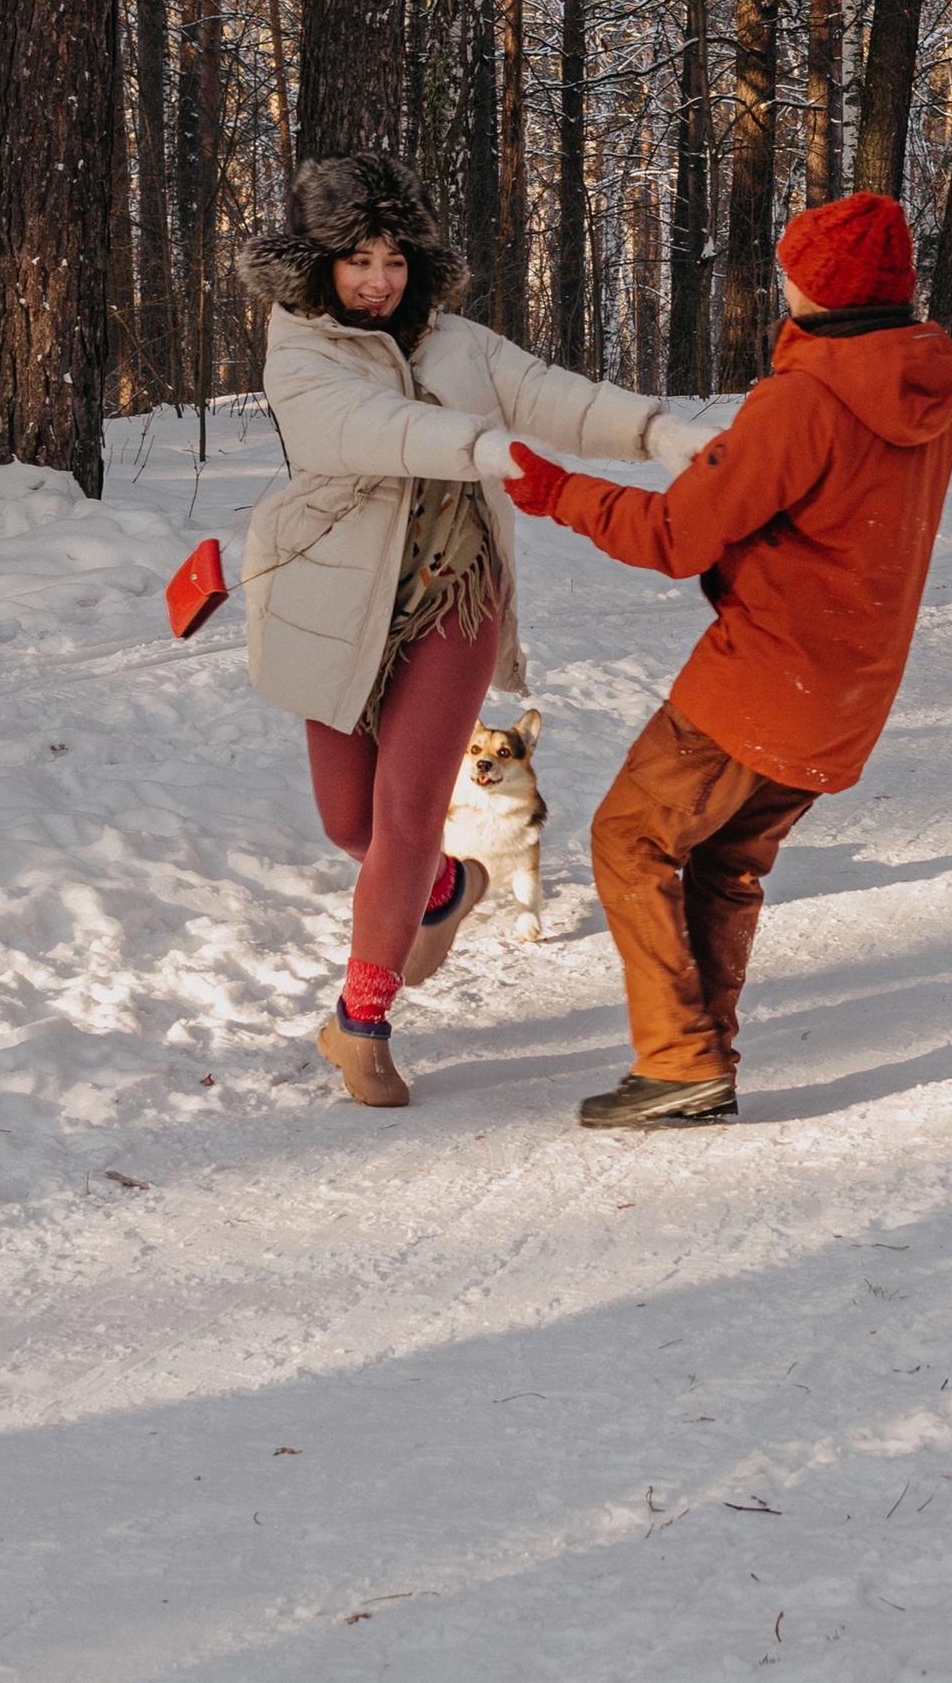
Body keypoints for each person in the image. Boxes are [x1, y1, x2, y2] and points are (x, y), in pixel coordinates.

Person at [238, 152, 701, 1110]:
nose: (377, 280)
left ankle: (360, 1023)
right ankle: (445, 888)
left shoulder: (462, 345)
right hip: (339, 596)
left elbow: (556, 397)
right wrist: (485, 447)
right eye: (358, 259)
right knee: (349, 823)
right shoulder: (299, 345)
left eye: (395, 260)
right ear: (319, 261)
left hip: (457, 597)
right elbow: (363, 429)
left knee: (407, 812)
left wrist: (658, 433)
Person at [505, 189, 952, 1128]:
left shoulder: (805, 397)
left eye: (793, 272)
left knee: (628, 838)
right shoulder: (922, 394)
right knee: (723, 863)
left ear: (821, 289)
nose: (782, 287)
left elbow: (673, 536)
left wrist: (557, 490)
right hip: (848, 689)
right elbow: (821, 508)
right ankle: (698, 1062)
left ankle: (679, 1062)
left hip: (762, 679)